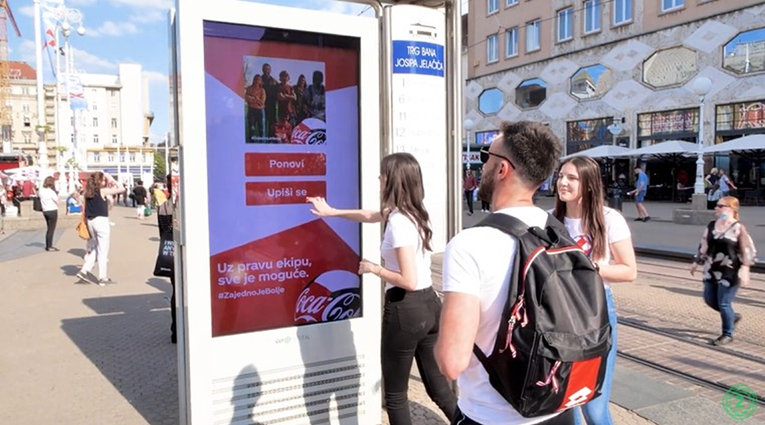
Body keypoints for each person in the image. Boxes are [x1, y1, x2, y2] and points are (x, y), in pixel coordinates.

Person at [435, 121, 572, 425]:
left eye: (487, 156)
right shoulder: (558, 232)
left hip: (493, 415)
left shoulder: (470, 244)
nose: (483, 164)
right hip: (558, 410)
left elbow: (451, 362)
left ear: (502, 169)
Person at [307, 153, 457, 425]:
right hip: (429, 307)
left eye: (382, 174)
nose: (378, 179)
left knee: (396, 395)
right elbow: (369, 215)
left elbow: (408, 279)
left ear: (393, 179)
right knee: (439, 389)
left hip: (406, 308)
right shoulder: (413, 213)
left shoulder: (399, 222)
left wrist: (374, 269)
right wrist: (332, 212)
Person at [552, 156, 637, 425]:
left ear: (588, 184)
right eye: (561, 176)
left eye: (572, 178)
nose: (562, 182)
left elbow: (629, 270)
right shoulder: (552, 221)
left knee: (594, 406)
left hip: (596, 311)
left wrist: (588, 266)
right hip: (560, 313)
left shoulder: (609, 218)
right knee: (568, 402)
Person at [690, 196, 754, 346]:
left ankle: (727, 333)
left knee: (724, 303)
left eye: (720, 206)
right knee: (709, 299)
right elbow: (703, 245)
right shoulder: (712, 225)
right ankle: (733, 316)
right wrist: (696, 261)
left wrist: (745, 268)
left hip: (730, 271)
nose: (716, 208)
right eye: (716, 206)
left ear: (730, 209)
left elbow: (746, 250)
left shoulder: (738, 227)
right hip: (712, 269)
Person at [77, 172, 124, 286]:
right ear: (100, 181)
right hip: (101, 221)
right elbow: (121, 189)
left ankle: (84, 270)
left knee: (98, 247)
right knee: (103, 250)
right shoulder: (102, 191)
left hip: (91, 221)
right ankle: (102, 277)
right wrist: (111, 177)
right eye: (103, 180)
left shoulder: (87, 193)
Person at [39, 176, 60, 252]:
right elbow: (57, 201)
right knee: (51, 229)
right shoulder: (51, 192)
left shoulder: (41, 191)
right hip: (52, 210)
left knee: (49, 228)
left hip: (45, 211)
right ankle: (49, 246)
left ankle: (48, 245)